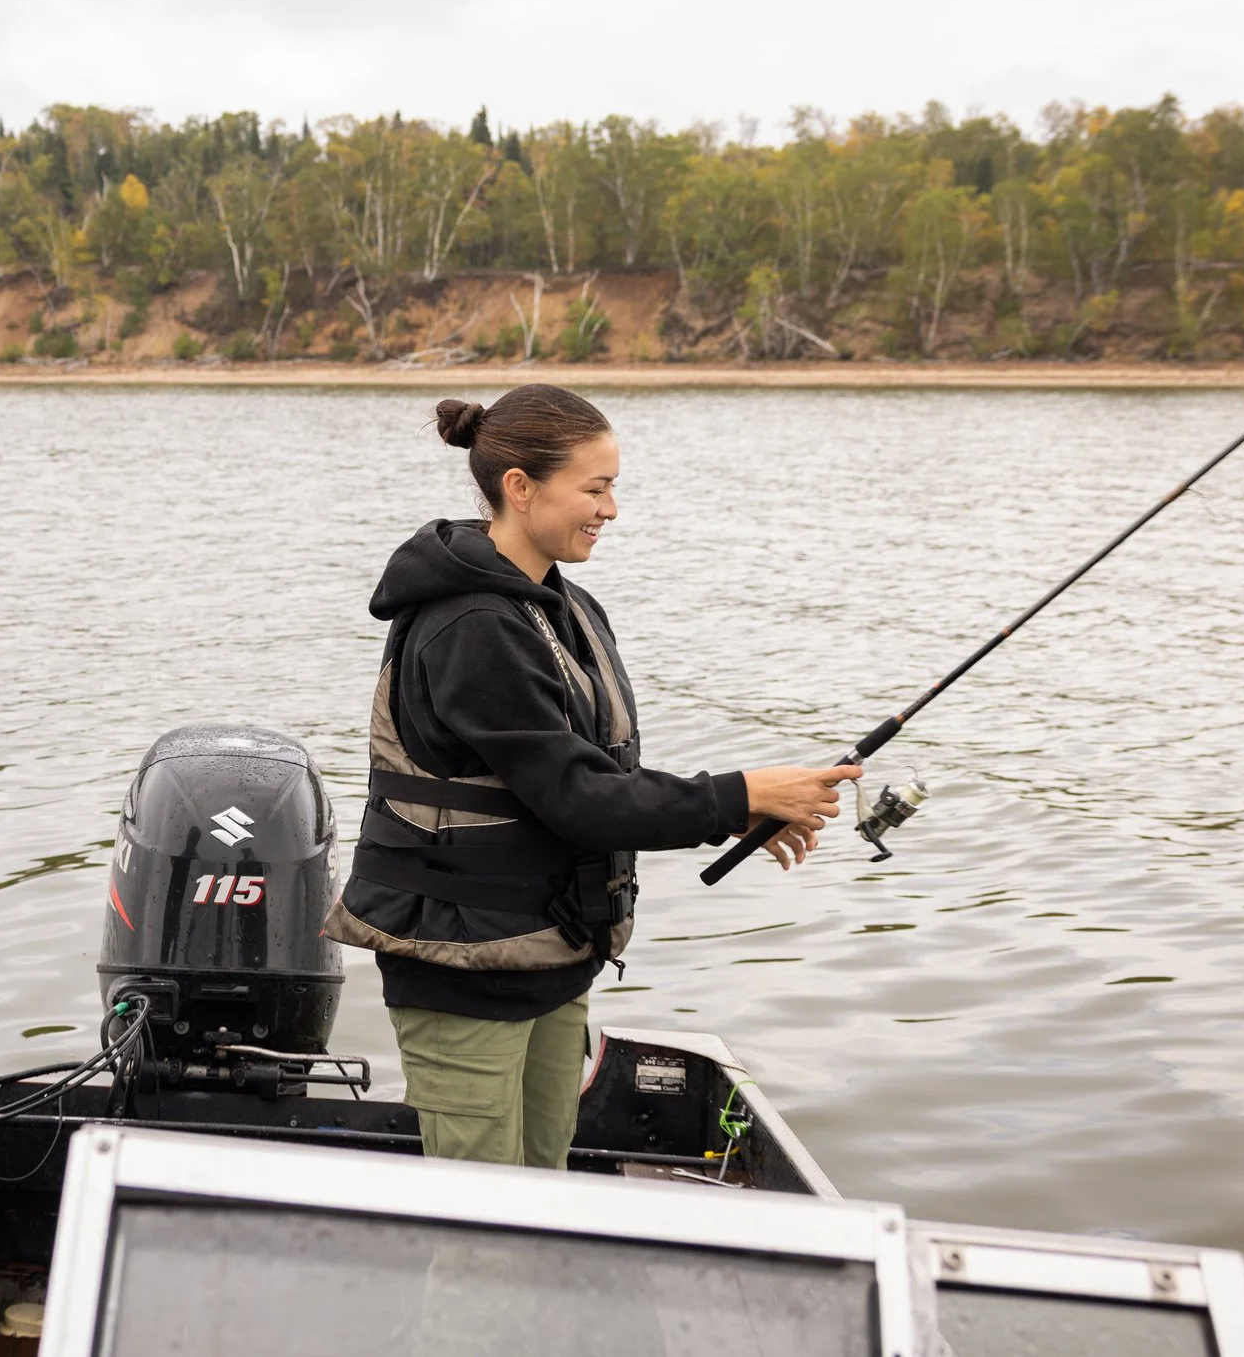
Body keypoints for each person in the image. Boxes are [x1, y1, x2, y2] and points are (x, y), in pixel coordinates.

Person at [323, 384, 851, 1169]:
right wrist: (741, 792)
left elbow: (600, 778)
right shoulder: (469, 627)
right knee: (479, 1231)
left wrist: (736, 814)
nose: (610, 510)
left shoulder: (565, 607)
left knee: (546, 1199)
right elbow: (578, 797)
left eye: (614, 489)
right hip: (463, 969)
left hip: (551, 957)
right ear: (520, 488)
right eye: (595, 489)